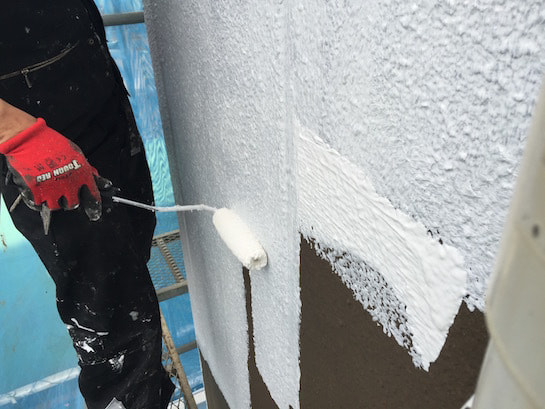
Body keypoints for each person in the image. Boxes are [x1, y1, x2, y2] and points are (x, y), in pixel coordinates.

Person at [0, 1, 174, 408]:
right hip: (36, 136)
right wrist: (13, 133)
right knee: (112, 321)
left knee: (133, 258)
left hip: (89, 80)